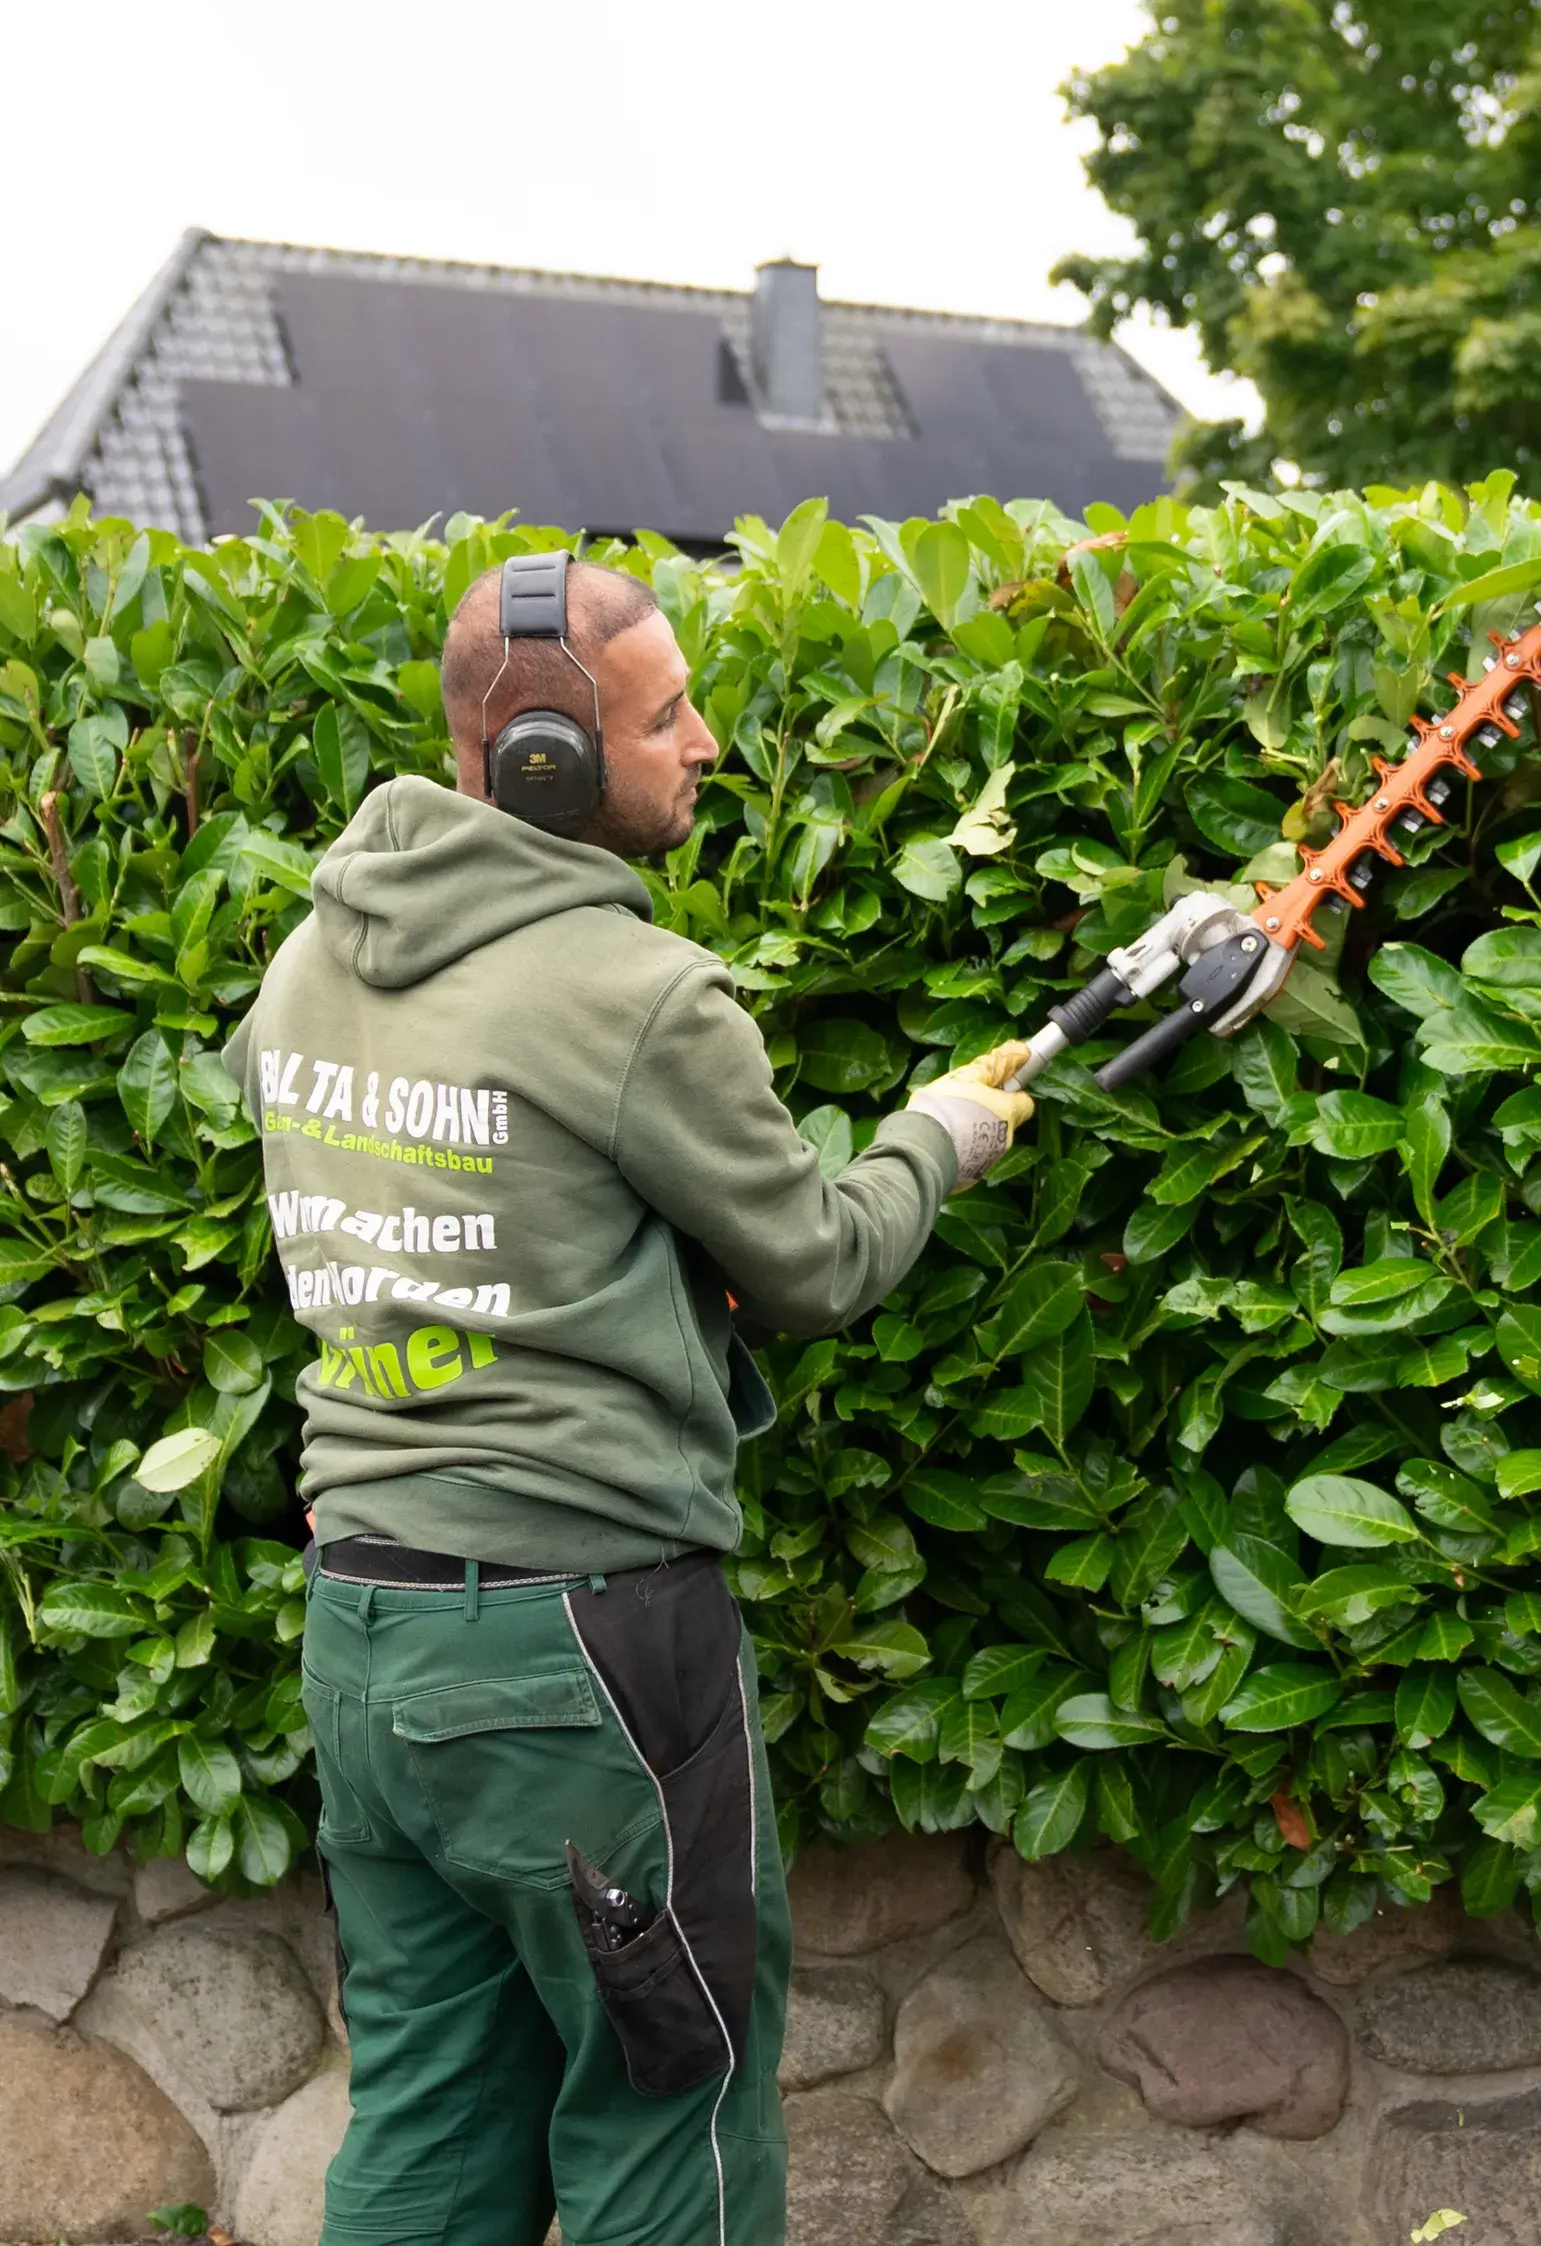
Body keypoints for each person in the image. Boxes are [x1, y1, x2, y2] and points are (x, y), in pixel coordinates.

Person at [224, 551, 1032, 2246]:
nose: (707, 743)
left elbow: (443, 1207)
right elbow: (812, 1264)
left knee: (431, 2120)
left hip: (364, 1627)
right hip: (582, 1655)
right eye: (667, 719)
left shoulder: (307, 963)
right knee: (673, 2111)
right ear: (546, 760)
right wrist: (936, 1138)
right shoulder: (640, 996)